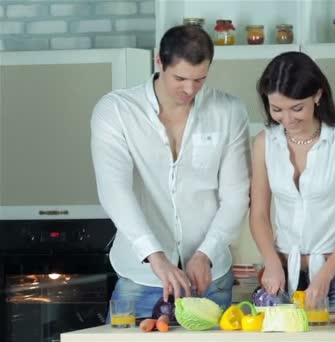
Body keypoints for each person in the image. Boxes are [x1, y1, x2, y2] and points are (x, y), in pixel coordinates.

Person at [91, 25, 251, 317]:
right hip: (141, 279)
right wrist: (156, 257)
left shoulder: (229, 111)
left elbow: (237, 196)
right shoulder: (116, 111)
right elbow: (115, 191)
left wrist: (207, 253)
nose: (190, 89)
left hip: (209, 277)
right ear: (159, 63)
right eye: (180, 78)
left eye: (200, 79)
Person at [249, 51, 335, 311]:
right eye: (277, 109)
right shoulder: (264, 143)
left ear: (317, 96)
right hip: (284, 273)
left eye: (297, 108)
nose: (288, 119)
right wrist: (271, 262)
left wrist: (325, 274)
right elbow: (259, 214)